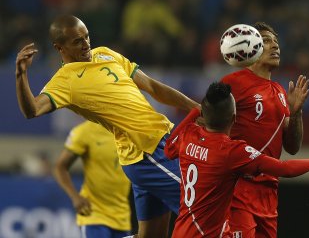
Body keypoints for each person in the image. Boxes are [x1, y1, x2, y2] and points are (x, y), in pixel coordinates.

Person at [15, 15, 199, 238]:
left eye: (87, 37)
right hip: (146, 153)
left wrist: (196, 107)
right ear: (59, 47)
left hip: (164, 142)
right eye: (77, 41)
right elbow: (32, 110)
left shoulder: (105, 53)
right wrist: (21, 75)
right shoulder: (65, 81)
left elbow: (152, 86)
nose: (86, 45)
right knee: (202, 208)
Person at [164, 82, 309, 238]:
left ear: (204, 114)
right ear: (234, 119)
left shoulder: (189, 135)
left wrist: (193, 112)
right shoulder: (232, 151)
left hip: (180, 231)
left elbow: (168, 149)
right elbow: (285, 168)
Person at [221, 22, 309, 237]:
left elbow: (293, 147)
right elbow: (208, 126)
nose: (275, 46)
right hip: (238, 188)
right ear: (250, 46)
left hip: (268, 194)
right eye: (266, 41)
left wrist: (296, 112)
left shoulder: (280, 91)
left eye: (276, 41)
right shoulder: (232, 83)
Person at [54, 121, 132, 238]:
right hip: (94, 213)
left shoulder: (129, 130)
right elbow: (60, 167)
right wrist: (75, 196)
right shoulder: (84, 132)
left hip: (122, 217)